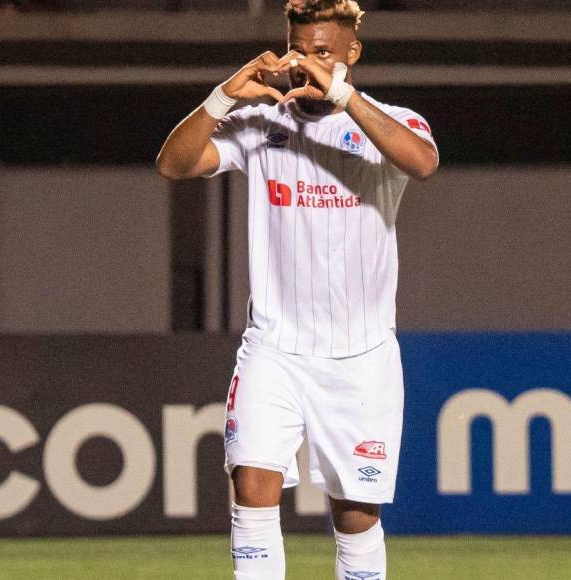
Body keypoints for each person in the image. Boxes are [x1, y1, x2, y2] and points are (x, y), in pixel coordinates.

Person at [156, 1, 438, 577]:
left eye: (324, 53)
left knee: (356, 515)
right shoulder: (263, 123)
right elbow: (174, 165)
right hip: (275, 347)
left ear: (352, 54)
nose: (307, 64)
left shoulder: (391, 121)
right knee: (252, 487)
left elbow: (424, 163)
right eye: (300, 50)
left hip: (361, 357)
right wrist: (221, 98)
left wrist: (341, 97)